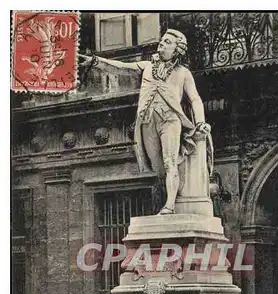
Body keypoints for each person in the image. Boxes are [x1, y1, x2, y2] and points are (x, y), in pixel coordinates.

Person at [80, 29, 212, 215]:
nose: (162, 44)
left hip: (170, 120)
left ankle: (170, 205)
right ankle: (173, 195)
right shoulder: (147, 66)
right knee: (157, 167)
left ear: (177, 49)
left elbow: (195, 99)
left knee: (169, 162)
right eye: (162, 40)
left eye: (167, 42)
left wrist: (200, 122)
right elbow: (121, 68)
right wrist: (96, 61)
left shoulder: (183, 73)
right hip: (147, 121)